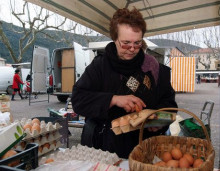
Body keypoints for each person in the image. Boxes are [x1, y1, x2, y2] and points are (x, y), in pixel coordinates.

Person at [71, 7, 178, 159]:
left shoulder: (153, 68)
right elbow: (78, 100)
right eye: (126, 43)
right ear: (115, 39)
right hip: (104, 151)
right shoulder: (100, 66)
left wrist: (159, 121)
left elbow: (169, 105)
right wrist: (113, 99)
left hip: (143, 150)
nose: (132, 49)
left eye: (137, 43)